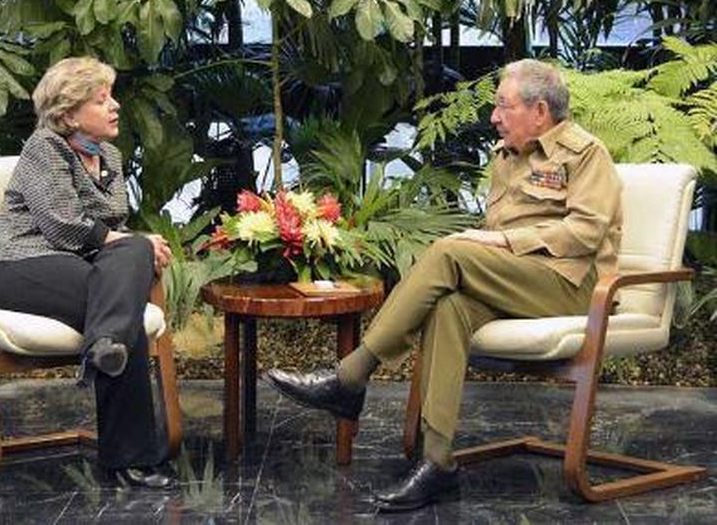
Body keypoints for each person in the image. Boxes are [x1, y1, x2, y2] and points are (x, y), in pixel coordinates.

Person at [265, 59, 623, 512]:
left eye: (504, 105)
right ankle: (437, 462)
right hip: (515, 279)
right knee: (449, 306)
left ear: (539, 111)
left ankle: (351, 376)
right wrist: (494, 245)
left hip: (572, 286)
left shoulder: (586, 153)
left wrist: (499, 242)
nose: (494, 116)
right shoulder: (507, 155)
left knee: (449, 252)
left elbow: (586, 233)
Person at [0, 56, 176, 489]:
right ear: (69, 114)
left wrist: (136, 244)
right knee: (125, 293)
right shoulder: (44, 148)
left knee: (126, 276)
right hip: (19, 266)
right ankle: (131, 460)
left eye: (111, 97)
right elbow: (61, 224)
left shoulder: (110, 156)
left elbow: (113, 229)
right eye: (101, 100)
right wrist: (134, 244)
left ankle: (102, 347)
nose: (115, 106)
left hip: (80, 267)